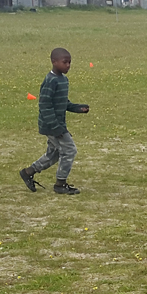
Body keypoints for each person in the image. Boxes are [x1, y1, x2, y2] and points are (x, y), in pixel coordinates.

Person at [19, 47, 89, 195]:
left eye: (70, 62)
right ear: (54, 62)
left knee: (54, 154)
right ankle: (60, 184)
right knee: (70, 150)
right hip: (52, 126)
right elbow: (45, 106)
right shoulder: (50, 81)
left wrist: (78, 108)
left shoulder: (63, 80)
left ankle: (28, 172)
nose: (68, 65)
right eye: (65, 62)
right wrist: (56, 128)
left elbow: (63, 103)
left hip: (58, 125)